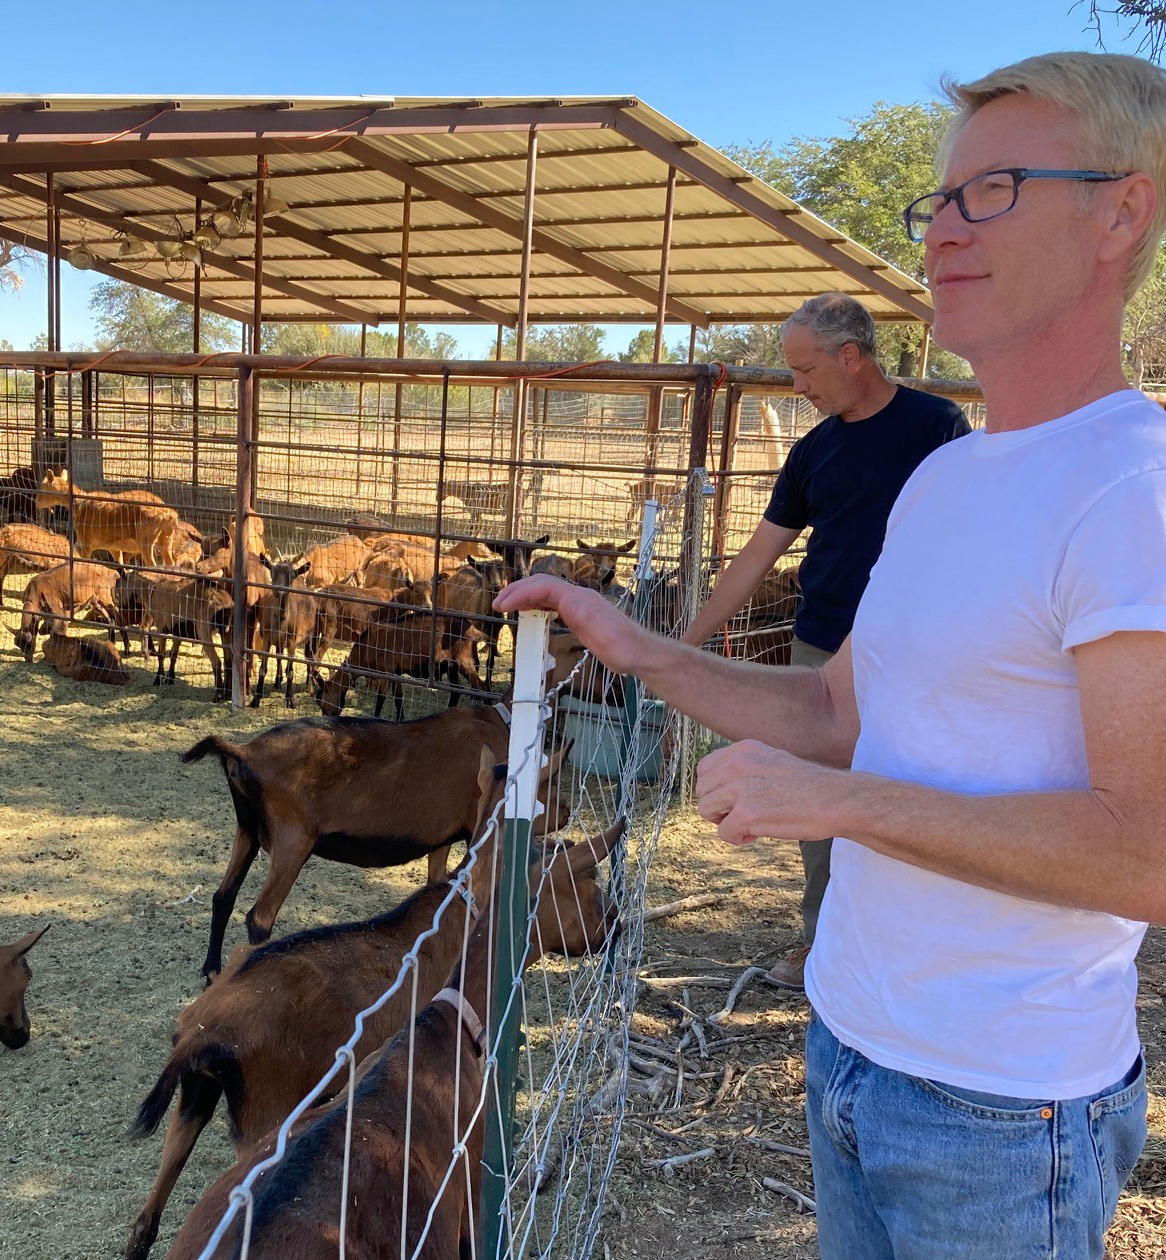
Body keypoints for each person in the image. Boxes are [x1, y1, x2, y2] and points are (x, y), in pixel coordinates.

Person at [497, 51, 1166, 1260]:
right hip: (851, 1047)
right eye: (940, 202)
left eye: (995, 188)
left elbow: (1146, 856)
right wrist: (643, 652)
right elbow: (831, 709)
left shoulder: (1137, 489)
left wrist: (836, 805)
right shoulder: (950, 475)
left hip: (1004, 1110)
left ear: (1125, 208)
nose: (944, 232)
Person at [680, 293, 970, 989]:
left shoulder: (939, 428)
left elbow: (971, 537)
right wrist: (684, 645)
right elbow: (755, 556)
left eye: (805, 370)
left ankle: (908, 953)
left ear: (851, 356)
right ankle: (823, 948)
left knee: (912, 796)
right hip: (820, 655)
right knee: (817, 810)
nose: (797, 386)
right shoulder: (815, 449)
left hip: (915, 654)